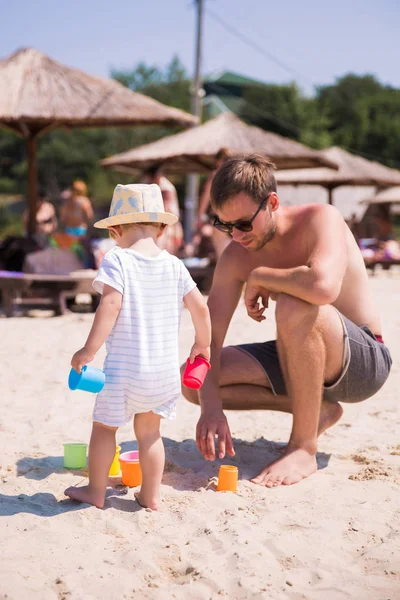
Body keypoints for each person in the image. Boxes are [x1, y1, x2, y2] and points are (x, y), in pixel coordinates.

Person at [181, 154, 392, 488]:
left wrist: (263, 275)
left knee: (295, 303)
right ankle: (319, 412)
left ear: (272, 203)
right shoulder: (236, 255)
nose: (235, 236)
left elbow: (322, 287)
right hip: (301, 357)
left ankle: (304, 447)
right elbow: (209, 341)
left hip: (362, 361)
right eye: (225, 225)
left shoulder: (321, 219)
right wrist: (211, 408)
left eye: (244, 224)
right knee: (194, 380)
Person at [64, 183, 211, 510]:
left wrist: (88, 351)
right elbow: (201, 308)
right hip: (162, 374)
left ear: (114, 229)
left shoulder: (118, 260)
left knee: (104, 429)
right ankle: (150, 495)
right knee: (150, 434)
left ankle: (96, 492)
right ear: (161, 227)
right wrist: (202, 345)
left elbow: (110, 306)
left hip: (124, 372)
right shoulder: (174, 265)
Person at [196, 148, 233, 261]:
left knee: (222, 257)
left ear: (217, 161)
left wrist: (200, 216)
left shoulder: (215, 176)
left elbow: (206, 196)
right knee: (234, 255)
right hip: (235, 220)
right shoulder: (236, 177)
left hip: (219, 219)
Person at [143, 167, 183, 255]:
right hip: (166, 223)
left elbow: (164, 209)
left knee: (162, 251)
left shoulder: (165, 188)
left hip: (167, 224)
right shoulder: (162, 186)